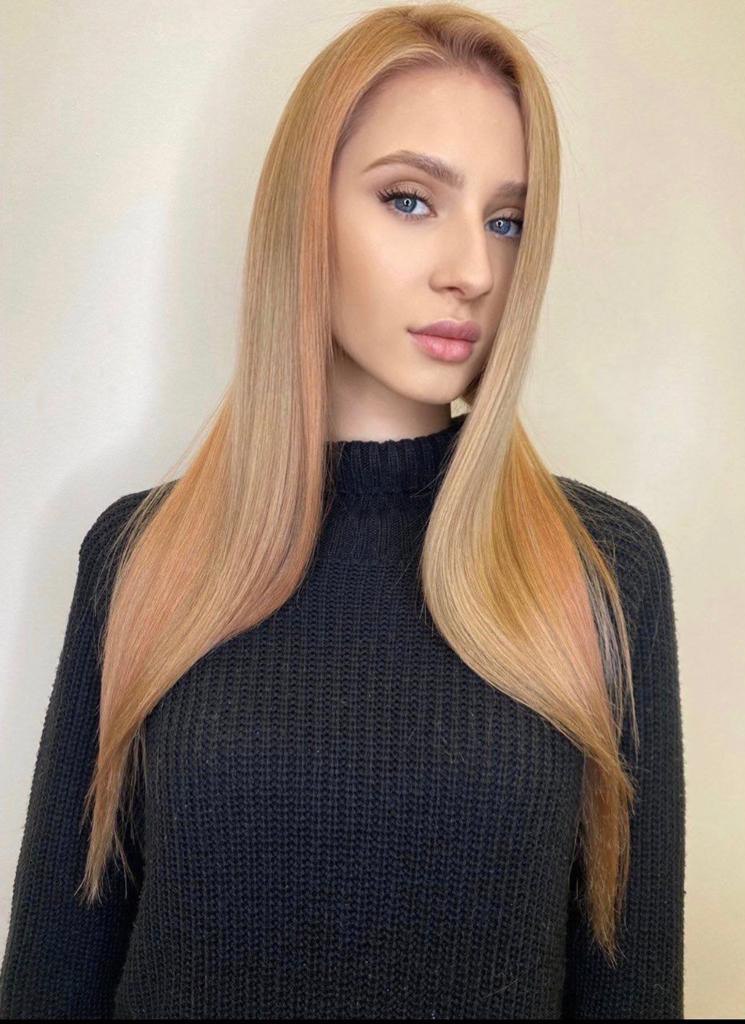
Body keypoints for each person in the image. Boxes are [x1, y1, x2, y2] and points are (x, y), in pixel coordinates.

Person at [0, 2, 685, 1018]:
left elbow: (631, 986)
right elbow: (54, 973)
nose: (473, 271)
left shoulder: (600, 565)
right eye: (410, 200)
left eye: (507, 220)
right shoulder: (145, 554)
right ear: (304, 213)